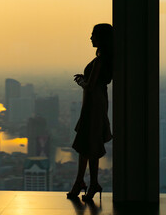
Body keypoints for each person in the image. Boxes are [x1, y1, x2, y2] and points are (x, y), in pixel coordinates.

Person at [67, 23, 113, 201]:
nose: (90, 37)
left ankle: (88, 183)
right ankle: (83, 182)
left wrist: (80, 80)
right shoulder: (106, 58)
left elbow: (90, 85)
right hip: (96, 102)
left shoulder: (101, 59)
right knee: (87, 145)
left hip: (93, 104)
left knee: (90, 145)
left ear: (101, 38)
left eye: (93, 34)